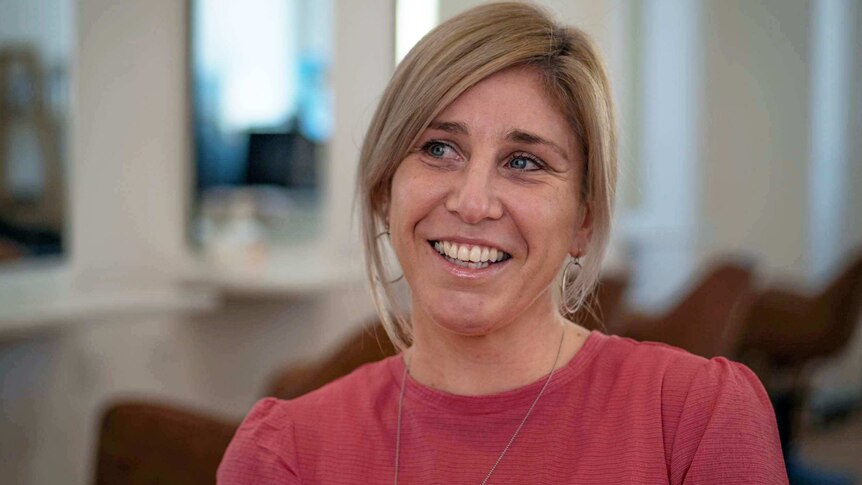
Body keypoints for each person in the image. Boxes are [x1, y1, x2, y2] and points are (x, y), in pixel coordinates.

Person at [217, 2, 787, 483]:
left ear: (584, 221)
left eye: (524, 161)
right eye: (439, 149)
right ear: (384, 190)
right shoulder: (282, 454)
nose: (472, 201)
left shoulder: (696, 419)